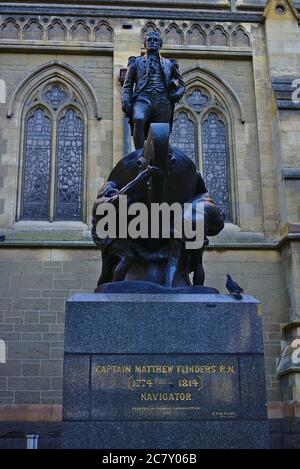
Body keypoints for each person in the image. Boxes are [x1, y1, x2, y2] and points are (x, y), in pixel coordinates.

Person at [121, 31, 185, 149]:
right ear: (145, 44)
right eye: (149, 40)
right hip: (142, 99)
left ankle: (160, 157)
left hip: (163, 101)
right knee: (138, 119)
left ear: (160, 44)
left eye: (155, 40)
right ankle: (139, 153)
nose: (151, 42)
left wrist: (176, 95)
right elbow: (127, 85)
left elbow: (182, 85)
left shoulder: (169, 64)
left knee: (160, 133)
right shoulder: (136, 62)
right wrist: (126, 100)